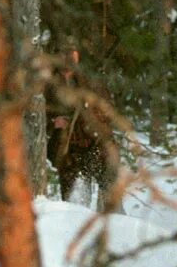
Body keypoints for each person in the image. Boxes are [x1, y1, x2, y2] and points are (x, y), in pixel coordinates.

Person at [45, 42, 120, 210]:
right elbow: (37, 114)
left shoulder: (90, 80)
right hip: (67, 149)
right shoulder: (47, 84)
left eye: (71, 55)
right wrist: (53, 123)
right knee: (75, 202)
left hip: (94, 143)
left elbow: (107, 109)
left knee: (109, 186)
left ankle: (112, 221)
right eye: (63, 55)